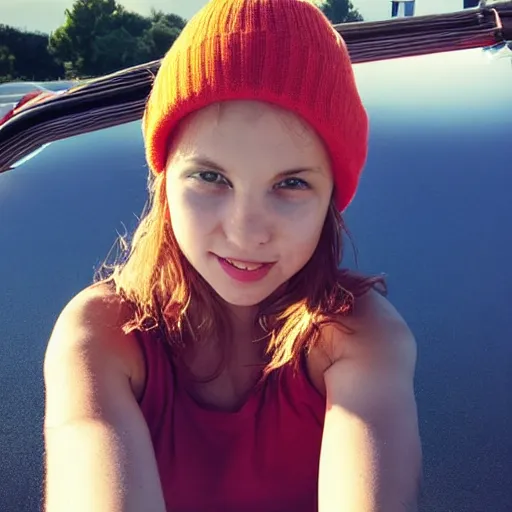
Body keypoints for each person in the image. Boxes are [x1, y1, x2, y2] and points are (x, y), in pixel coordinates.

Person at [42, 0, 422, 511]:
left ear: (332, 196)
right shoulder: (103, 336)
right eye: (210, 177)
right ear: (163, 182)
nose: (246, 231)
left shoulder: (357, 336)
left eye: (291, 183)